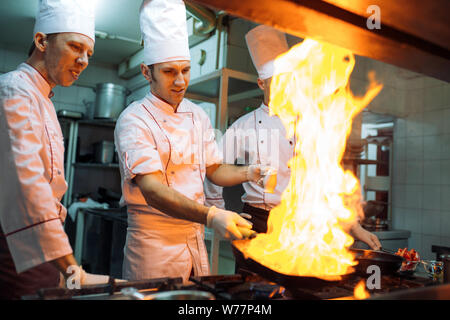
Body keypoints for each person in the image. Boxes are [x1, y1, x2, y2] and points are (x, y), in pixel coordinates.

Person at [114, 0, 268, 283]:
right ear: (147, 72)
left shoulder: (197, 115)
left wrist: (248, 172)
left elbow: (214, 170)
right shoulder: (134, 119)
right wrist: (211, 216)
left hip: (194, 238)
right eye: (169, 72)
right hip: (154, 244)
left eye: (185, 70)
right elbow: (153, 190)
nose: (180, 82)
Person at [204, 25, 382, 251]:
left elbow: (327, 180)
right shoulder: (243, 126)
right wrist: (217, 213)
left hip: (301, 224)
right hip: (257, 221)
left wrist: (355, 227)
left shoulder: (311, 122)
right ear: (261, 84)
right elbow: (213, 170)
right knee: (253, 284)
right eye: (278, 82)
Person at [0, 0, 110, 300]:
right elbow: (28, 188)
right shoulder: (13, 90)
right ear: (41, 41)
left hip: (44, 248)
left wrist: (63, 266)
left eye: (89, 53)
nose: (84, 60)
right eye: (76, 47)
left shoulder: (44, 99)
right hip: (15, 249)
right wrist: (74, 270)